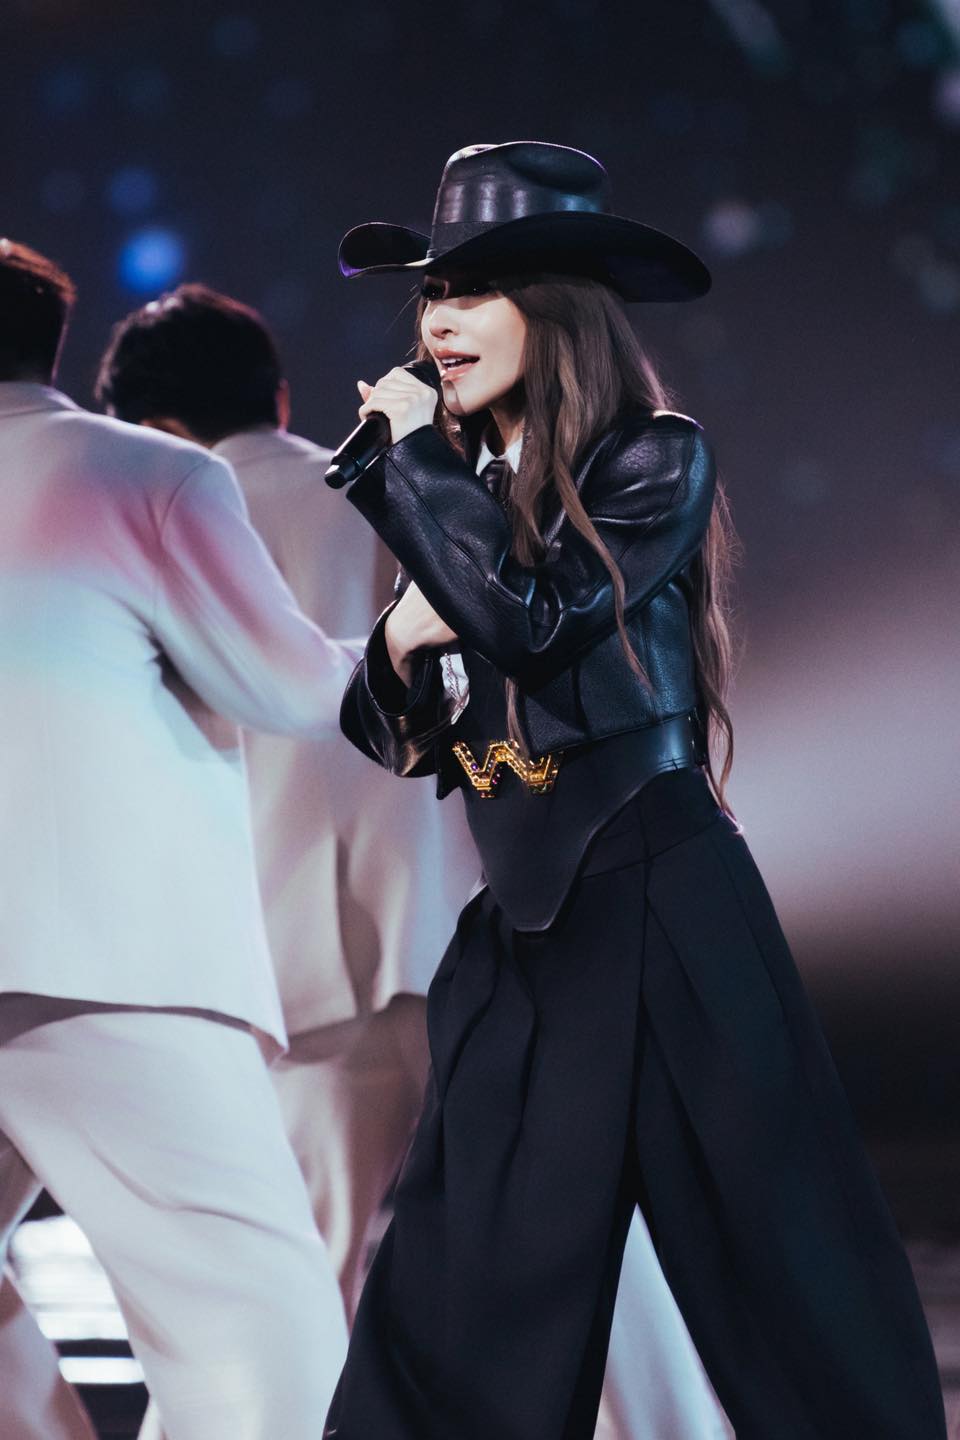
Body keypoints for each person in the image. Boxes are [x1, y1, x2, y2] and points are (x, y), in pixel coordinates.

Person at [322, 143, 948, 1440]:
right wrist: (396, 645)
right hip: (524, 933)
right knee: (459, 1285)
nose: (437, 321)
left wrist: (403, 472)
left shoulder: (653, 460)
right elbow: (395, 735)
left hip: (664, 906)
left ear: (557, 309)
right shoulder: (455, 491)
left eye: (475, 290)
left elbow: (533, 625)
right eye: (432, 291)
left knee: (788, 1270)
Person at [98, 284, 730, 1440]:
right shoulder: (409, 477)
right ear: (277, 395)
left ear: (152, 425)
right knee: (591, 1235)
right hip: (481, 915)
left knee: (282, 1283)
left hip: (294, 949)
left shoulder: (161, 506)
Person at [0, 238, 356, 1440]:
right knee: (253, 1321)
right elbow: (289, 687)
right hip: (108, 964)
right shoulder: (148, 472)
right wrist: (408, 653)